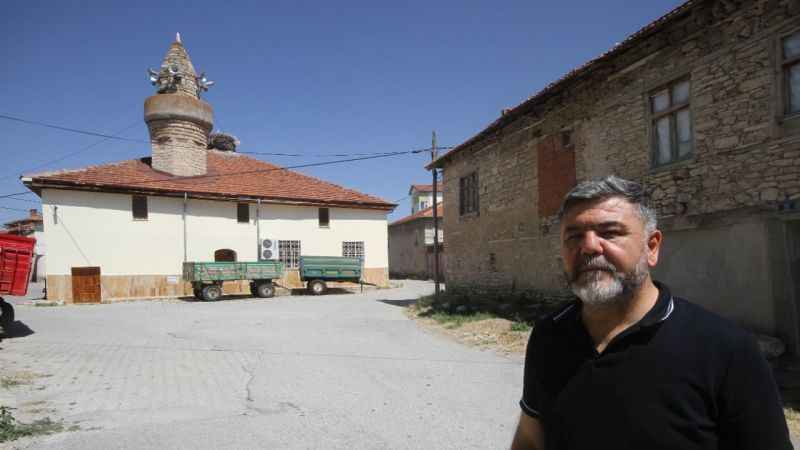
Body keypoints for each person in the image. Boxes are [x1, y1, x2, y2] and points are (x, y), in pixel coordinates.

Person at [510, 175, 792, 450]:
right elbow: (531, 438)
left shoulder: (726, 349)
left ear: (652, 247)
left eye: (610, 233)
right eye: (574, 237)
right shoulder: (549, 335)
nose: (589, 246)